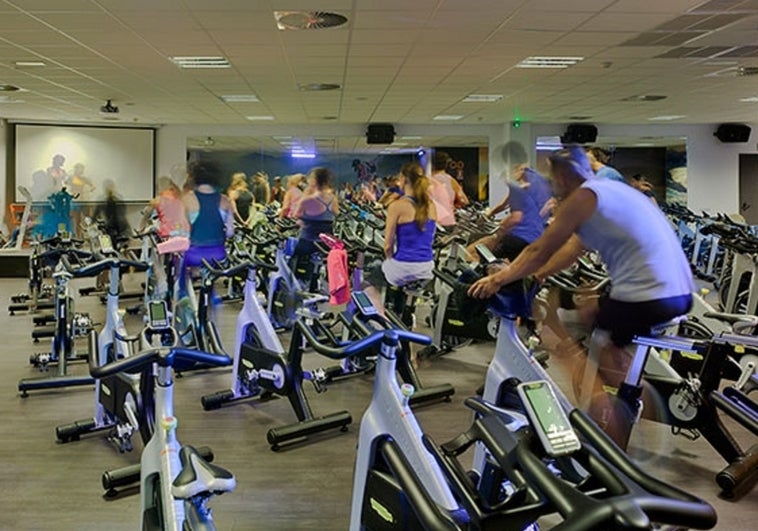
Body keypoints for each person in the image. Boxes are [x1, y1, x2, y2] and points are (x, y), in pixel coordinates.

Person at [468, 146, 694, 428]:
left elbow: (540, 248)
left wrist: (498, 279)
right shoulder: (610, 190)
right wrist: (540, 274)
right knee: (590, 314)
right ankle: (623, 386)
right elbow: (576, 246)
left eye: (552, 178)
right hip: (679, 294)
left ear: (563, 178)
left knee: (557, 324)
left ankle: (603, 404)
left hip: (646, 295)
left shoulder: (583, 197)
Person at [381, 162, 437, 315]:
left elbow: (387, 246)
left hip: (405, 267)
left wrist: (390, 260)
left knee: (375, 273)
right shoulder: (431, 206)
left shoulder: (396, 206)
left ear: (403, 179)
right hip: (427, 267)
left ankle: (385, 318)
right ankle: (406, 314)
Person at [469, 175, 545, 262]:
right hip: (534, 235)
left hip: (521, 237)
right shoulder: (524, 191)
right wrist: (489, 214)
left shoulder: (519, 190)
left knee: (487, 258)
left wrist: (499, 229)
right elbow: (503, 204)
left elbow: (516, 218)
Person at [292, 167, 340, 290]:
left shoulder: (308, 199)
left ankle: (297, 283)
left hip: (309, 240)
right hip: (325, 242)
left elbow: (296, 215)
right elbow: (336, 213)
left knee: (291, 256)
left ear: (314, 181)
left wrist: (306, 194)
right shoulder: (333, 198)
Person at [182, 160, 235, 269]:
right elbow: (230, 233)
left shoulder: (187, 199)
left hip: (193, 254)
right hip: (218, 254)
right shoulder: (225, 201)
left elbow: (181, 231)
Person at [428, 151, 466, 228]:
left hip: (431, 222)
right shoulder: (451, 181)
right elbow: (464, 201)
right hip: (448, 221)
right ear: (446, 165)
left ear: (431, 165)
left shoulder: (426, 181)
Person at [94, 180, 131, 245]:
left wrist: (92, 222)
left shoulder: (102, 200)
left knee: (108, 248)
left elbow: (95, 215)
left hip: (111, 229)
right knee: (122, 250)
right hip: (123, 228)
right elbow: (123, 212)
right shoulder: (119, 198)